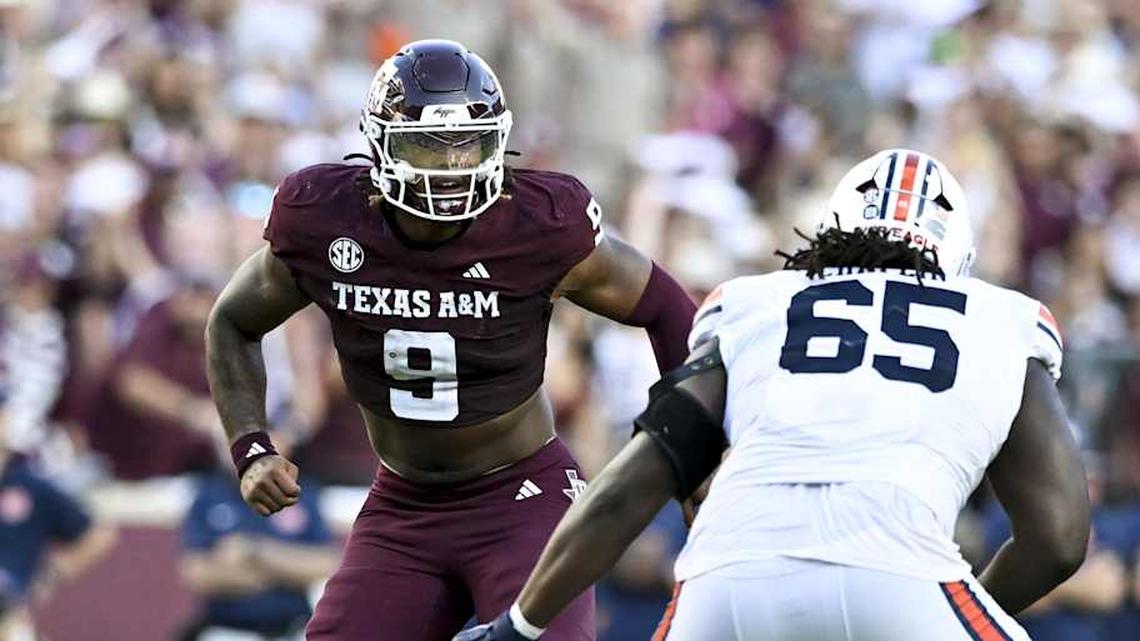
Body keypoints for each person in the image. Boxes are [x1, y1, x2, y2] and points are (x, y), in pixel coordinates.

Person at [458, 149, 1092, 641]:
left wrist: (520, 624)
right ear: (960, 262)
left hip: (729, 578)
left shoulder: (758, 305)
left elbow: (638, 478)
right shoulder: (998, 319)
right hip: (903, 571)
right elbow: (1059, 539)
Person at [205, 40, 695, 641]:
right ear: (380, 142)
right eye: (426, 145)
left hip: (523, 495)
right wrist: (251, 447)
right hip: (404, 504)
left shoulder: (537, 223)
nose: (451, 166)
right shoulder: (326, 218)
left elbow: (670, 310)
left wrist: (691, 456)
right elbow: (232, 321)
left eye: (468, 142)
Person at [178, 438, 340, 641]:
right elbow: (197, 571)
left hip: (291, 629)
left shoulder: (301, 493)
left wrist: (254, 553)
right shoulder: (208, 495)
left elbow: (326, 564)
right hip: (228, 631)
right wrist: (286, 572)